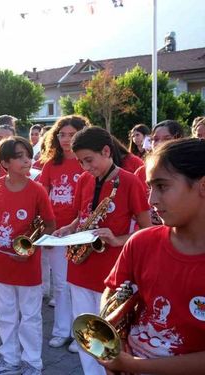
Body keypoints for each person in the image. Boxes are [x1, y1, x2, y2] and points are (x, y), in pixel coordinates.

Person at [100, 138, 205, 374]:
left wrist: (136, 365)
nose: (151, 200)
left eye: (162, 186)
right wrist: (114, 335)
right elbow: (114, 291)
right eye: (150, 187)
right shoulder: (141, 241)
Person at [52, 126, 152, 375]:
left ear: (106, 151)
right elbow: (80, 217)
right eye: (81, 162)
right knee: (86, 337)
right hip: (79, 268)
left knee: (108, 338)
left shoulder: (130, 182)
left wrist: (118, 240)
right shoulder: (84, 180)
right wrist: (67, 228)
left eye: (89, 160)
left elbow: (147, 230)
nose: (85, 168)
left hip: (111, 274)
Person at [0, 137, 56, 375]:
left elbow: (50, 225)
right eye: (19, 156)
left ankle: (32, 362)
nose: (27, 160)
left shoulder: (37, 190)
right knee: (5, 316)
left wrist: (31, 248)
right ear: (5, 162)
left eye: (27, 155)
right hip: (1, 263)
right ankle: (10, 359)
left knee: (30, 317)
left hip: (28, 266)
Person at [37, 115, 88, 351]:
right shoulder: (50, 164)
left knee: (79, 286)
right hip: (57, 232)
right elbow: (43, 198)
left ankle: (80, 335)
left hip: (82, 231)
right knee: (59, 284)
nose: (66, 139)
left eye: (71, 134)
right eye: (62, 134)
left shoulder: (86, 162)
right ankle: (61, 330)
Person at [134, 120, 186, 225]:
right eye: (155, 139)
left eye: (167, 139)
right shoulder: (141, 172)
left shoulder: (187, 170)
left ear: (179, 140)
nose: (159, 144)